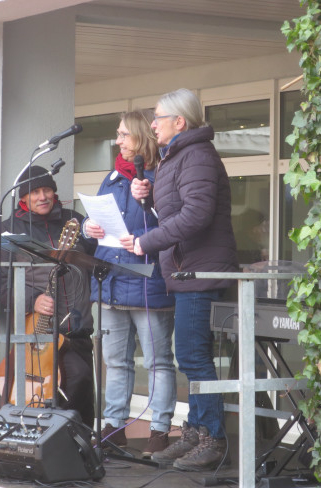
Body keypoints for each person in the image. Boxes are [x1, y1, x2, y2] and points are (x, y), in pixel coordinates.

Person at [129, 88, 238, 471]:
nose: (153, 124)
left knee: (193, 355)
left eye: (158, 117)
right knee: (188, 356)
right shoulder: (175, 157)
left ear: (180, 121)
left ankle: (212, 438)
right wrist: (147, 198)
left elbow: (195, 215)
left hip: (201, 272)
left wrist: (146, 241)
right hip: (186, 270)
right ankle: (195, 431)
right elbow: (175, 209)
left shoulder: (196, 155)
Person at [82, 109, 176, 457]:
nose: (118, 140)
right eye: (117, 134)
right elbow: (97, 221)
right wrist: (86, 229)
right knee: (116, 362)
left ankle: (159, 431)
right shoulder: (113, 176)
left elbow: (174, 223)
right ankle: (114, 427)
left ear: (141, 137)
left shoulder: (161, 172)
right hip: (111, 281)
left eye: (123, 134)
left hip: (148, 282)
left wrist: (148, 201)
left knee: (158, 361)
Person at [0, 168, 97, 427]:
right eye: (35, 192)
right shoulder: (10, 229)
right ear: (23, 197)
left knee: (80, 384)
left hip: (76, 326)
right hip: (36, 334)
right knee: (25, 391)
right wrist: (33, 302)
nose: (43, 197)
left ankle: (80, 446)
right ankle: (29, 439)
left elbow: (99, 262)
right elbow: (3, 287)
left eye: (47, 190)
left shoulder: (74, 220)